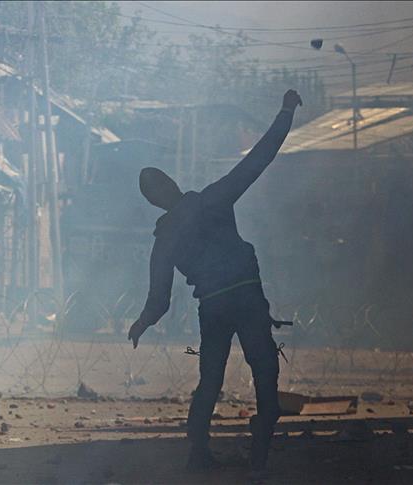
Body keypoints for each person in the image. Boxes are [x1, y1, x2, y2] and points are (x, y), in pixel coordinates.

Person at [127, 89, 301, 473]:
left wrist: (142, 323)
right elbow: (259, 159)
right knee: (264, 370)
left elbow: (160, 299)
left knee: (210, 381)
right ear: (170, 186)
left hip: (214, 308)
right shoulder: (212, 200)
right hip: (245, 300)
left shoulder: (165, 239)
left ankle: (199, 452)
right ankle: (260, 448)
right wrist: (285, 112)